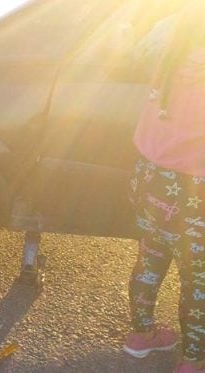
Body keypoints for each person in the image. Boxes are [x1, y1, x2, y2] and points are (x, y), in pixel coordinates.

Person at [124, 2, 205, 372]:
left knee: (150, 257)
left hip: (150, 174)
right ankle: (192, 359)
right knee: (198, 278)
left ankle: (141, 335)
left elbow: (131, 51)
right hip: (196, 186)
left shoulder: (169, 34)